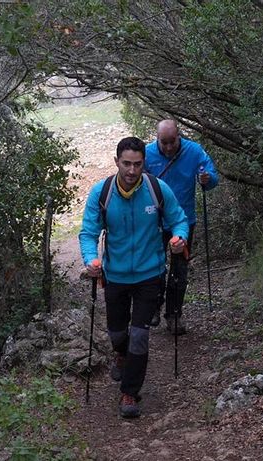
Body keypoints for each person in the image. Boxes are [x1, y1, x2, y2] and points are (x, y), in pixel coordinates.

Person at [79, 136, 189, 419]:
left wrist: (179, 237)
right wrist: (91, 259)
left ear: (144, 164)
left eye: (137, 164)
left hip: (149, 274)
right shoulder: (101, 193)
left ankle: (129, 392)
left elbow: (179, 219)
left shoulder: (156, 189)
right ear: (116, 162)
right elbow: (89, 232)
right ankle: (121, 353)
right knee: (117, 333)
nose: (131, 170)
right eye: (126, 163)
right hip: (114, 275)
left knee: (139, 335)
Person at [144, 120, 220, 335]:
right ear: (157, 139)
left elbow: (212, 177)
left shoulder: (194, 151)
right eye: (164, 142)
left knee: (180, 270)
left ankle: (174, 314)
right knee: (154, 266)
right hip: (154, 222)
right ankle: (154, 308)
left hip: (184, 222)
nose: (168, 147)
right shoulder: (147, 154)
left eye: (172, 142)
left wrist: (207, 179)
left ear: (180, 136)